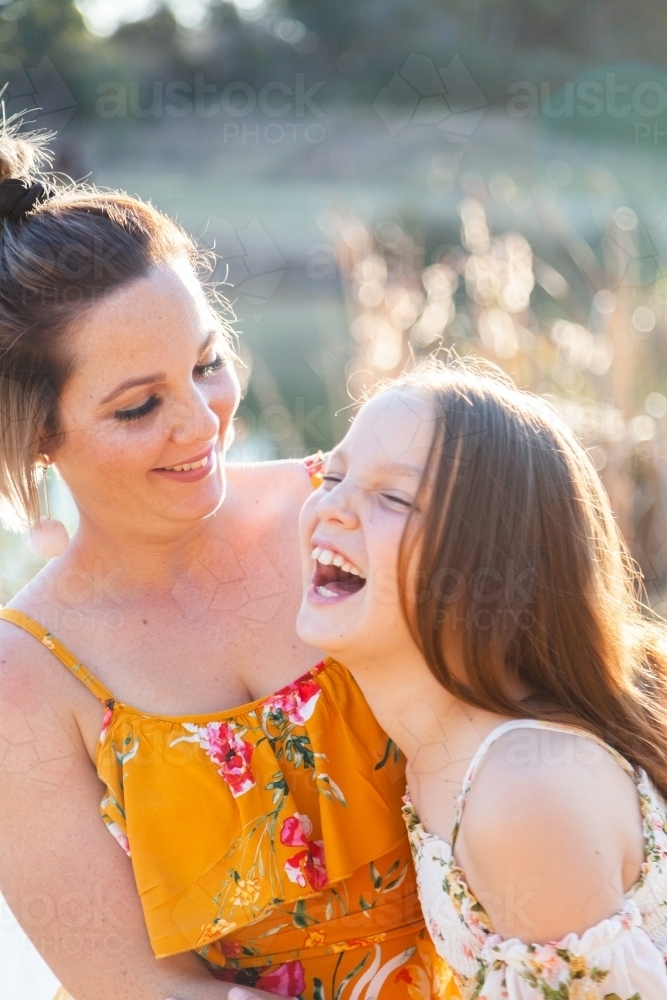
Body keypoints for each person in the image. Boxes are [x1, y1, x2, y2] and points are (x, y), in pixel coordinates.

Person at [0, 125, 438, 1000]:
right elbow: (129, 983)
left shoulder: (356, 513)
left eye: (207, 364)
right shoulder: (27, 677)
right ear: (40, 435)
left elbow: (568, 724)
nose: (201, 423)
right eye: (138, 407)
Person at [297, 357, 667, 999]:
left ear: (492, 570)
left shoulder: (522, 789)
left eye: (392, 497)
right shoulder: (455, 746)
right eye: (332, 475)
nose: (332, 506)